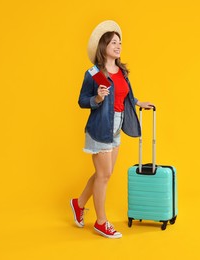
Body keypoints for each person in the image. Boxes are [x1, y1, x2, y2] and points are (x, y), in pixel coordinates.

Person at [70, 20, 154, 239]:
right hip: (99, 128)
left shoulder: (121, 70)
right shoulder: (95, 73)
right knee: (104, 175)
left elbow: (124, 94)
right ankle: (101, 222)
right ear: (103, 46)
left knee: (103, 174)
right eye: (114, 42)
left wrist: (137, 102)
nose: (118, 46)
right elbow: (82, 100)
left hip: (116, 126)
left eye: (120, 42)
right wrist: (97, 98)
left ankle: (78, 204)